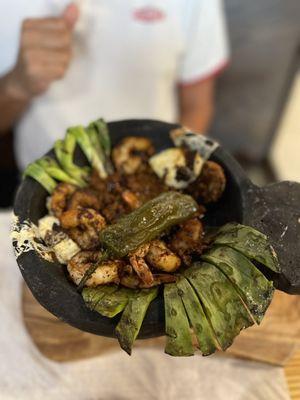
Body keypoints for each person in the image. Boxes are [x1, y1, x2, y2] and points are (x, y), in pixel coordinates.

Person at [0, 0, 229, 170]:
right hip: (40, 183)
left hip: (154, 173)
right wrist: (16, 85)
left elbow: (197, 105)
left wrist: (175, 171)